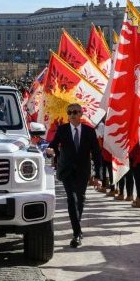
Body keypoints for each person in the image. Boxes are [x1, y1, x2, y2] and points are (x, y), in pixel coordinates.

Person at [44, 105, 101, 248]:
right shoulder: (62, 129)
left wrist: (98, 175)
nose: (72, 115)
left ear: (81, 113)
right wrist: (50, 150)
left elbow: (97, 154)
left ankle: (77, 228)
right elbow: (53, 144)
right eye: (69, 113)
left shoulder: (89, 131)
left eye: (75, 112)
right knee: (72, 199)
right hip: (66, 170)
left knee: (80, 199)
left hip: (83, 171)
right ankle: (77, 233)